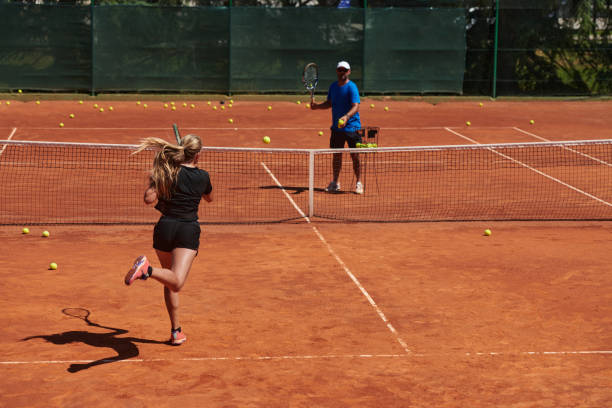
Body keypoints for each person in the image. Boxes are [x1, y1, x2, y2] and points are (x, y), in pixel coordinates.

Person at [124, 134, 213, 346]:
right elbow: (209, 198)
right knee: (177, 282)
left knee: (169, 280)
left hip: (164, 229)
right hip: (186, 230)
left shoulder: (166, 173)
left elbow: (148, 199)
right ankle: (148, 269)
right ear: (198, 155)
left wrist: (157, 177)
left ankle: (176, 331)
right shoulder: (203, 176)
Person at [310, 60, 363, 194]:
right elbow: (329, 103)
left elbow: (356, 106)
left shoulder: (352, 87)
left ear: (349, 72)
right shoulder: (333, 87)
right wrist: (316, 106)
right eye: (340, 70)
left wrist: (346, 117)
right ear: (337, 71)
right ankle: (335, 182)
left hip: (352, 128)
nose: (342, 72)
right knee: (336, 156)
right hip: (337, 129)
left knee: (355, 156)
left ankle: (359, 182)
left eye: (344, 70)